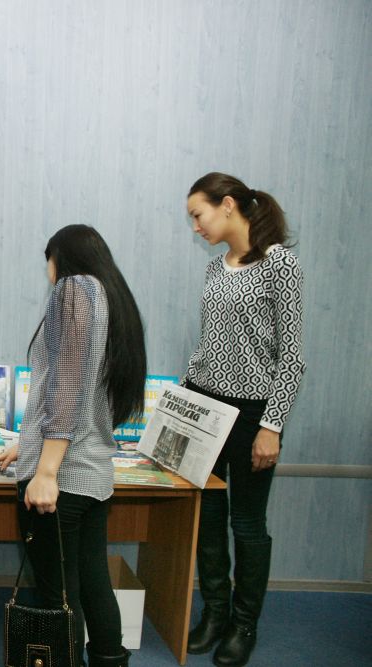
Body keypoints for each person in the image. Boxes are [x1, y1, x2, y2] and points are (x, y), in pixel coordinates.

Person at [0, 224, 146, 667]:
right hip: (93, 471)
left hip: (63, 477)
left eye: (48, 262)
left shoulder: (73, 290)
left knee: (59, 596)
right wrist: (28, 445)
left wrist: (45, 470)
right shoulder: (110, 296)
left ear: (60, 257)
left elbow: (68, 384)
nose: (48, 273)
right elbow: (85, 391)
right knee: (94, 583)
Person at [184, 173, 305, 667]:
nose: (196, 226)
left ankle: (243, 624)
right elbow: (209, 345)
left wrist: (271, 426)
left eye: (199, 215)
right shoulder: (214, 268)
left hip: (254, 414)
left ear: (228, 205)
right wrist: (183, 399)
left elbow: (291, 356)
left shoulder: (280, 264)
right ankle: (214, 614)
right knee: (209, 518)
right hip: (206, 408)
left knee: (248, 523)